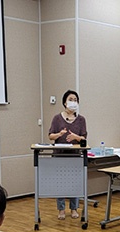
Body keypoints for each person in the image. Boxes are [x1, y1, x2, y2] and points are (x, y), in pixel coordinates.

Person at [48, 89, 87, 220]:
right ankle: (61, 210)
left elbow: (84, 138)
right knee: (61, 183)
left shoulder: (81, 120)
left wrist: (76, 137)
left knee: (73, 183)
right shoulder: (57, 118)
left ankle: (74, 209)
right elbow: (50, 136)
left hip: (74, 156)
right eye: (71, 99)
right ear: (65, 102)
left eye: (75, 100)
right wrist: (60, 134)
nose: (73, 102)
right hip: (59, 155)